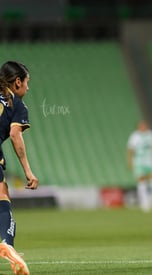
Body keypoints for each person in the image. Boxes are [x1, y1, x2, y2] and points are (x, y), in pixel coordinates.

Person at [0, 61, 38, 275]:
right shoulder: (16, 103)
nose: (27, 88)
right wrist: (28, 171)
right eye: (26, 82)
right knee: (2, 197)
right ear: (17, 82)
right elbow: (15, 135)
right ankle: (7, 244)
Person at [127, 120, 152, 212]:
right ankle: (144, 203)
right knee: (141, 180)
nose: (143, 127)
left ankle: (149, 198)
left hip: (150, 161)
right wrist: (130, 162)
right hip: (139, 162)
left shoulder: (151, 135)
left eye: (144, 125)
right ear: (138, 127)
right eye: (141, 126)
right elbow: (130, 150)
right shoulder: (134, 136)